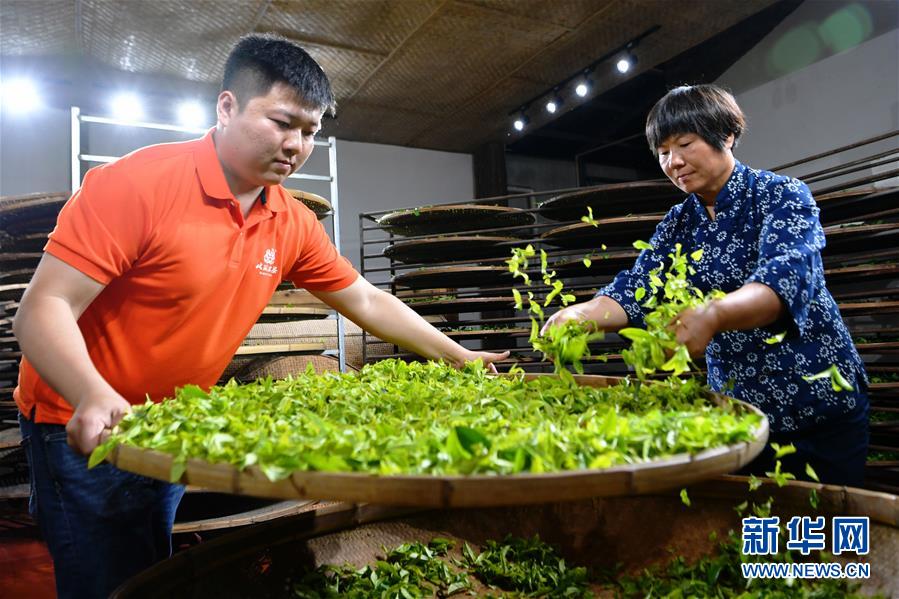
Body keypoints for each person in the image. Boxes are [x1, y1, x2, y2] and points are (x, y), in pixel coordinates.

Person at [13, 34, 508, 598]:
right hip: (79, 418)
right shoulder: (137, 184)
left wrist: (459, 357)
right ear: (227, 107)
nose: (296, 145)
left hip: (167, 422)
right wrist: (91, 393)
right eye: (281, 122)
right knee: (105, 581)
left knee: (148, 566)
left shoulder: (290, 220)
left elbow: (366, 300)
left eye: (311, 132)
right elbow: (42, 309)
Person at [545, 84, 868, 487]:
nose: (674, 162)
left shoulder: (780, 195)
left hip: (816, 402)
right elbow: (638, 288)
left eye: (685, 144)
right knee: (747, 523)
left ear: (726, 136)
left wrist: (713, 315)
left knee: (825, 521)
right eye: (663, 152)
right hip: (739, 413)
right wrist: (582, 314)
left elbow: (783, 278)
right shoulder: (679, 222)